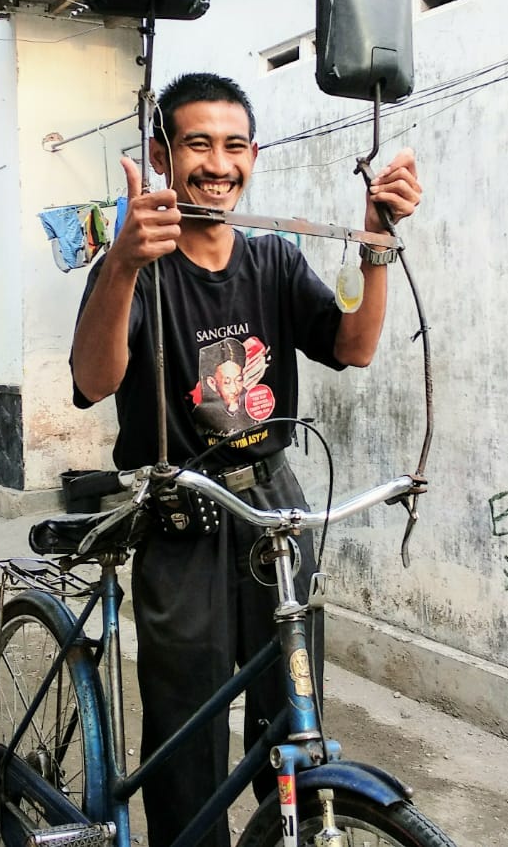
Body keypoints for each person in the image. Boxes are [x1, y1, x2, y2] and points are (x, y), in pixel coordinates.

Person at [70, 72, 421, 847]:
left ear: (253, 156)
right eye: (198, 143)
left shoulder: (272, 263)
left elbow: (354, 347)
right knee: (187, 736)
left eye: (234, 146)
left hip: (272, 506)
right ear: (162, 153)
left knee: (289, 717)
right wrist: (124, 263)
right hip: (180, 513)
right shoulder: (137, 267)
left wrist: (377, 245)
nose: (217, 164)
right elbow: (93, 382)